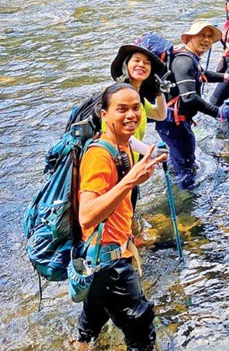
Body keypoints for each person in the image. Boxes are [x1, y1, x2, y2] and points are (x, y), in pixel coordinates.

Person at [76, 83, 168, 351]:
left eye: (136, 108)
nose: (131, 115)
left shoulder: (123, 144)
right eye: (122, 109)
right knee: (141, 332)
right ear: (104, 114)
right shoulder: (100, 155)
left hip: (95, 256)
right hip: (109, 262)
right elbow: (87, 216)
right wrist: (130, 181)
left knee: (91, 323)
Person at [154, 20, 229, 189]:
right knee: (187, 168)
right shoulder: (185, 61)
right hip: (175, 124)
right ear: (189, 37)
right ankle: (187, 202)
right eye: (201, 35)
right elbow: (189, 97)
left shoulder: (188, 57)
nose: (206, 40)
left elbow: (200, 74)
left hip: (170, 121)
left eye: (209, 37)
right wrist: (217, 111)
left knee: (181, 160)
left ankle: (176, 176)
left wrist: (226, 77)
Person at [109, 44, 167, 159]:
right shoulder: (115, 95)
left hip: (130, 161)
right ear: (126, 65)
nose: (141, 65)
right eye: (136, 60)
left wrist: (159, 93)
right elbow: (117, 134)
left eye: (147, 63)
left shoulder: (138, 98)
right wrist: (149, 151)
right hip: (112, 162)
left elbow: (160, 115)